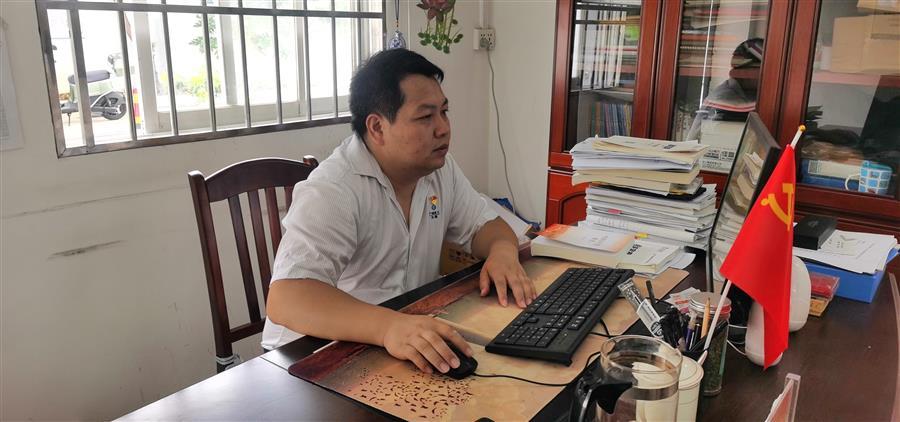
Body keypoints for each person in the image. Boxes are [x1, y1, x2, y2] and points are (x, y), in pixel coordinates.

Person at [263, 49, 536, 376]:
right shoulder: (335, 189)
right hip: (308, 358)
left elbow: (486, 226)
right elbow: (287, 298)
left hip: (398, 338)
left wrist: (503, 253)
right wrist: (389, 327)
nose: (443, 129)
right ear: (377, 127)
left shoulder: (440, 171)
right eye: (425, 117)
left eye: (444, 112)